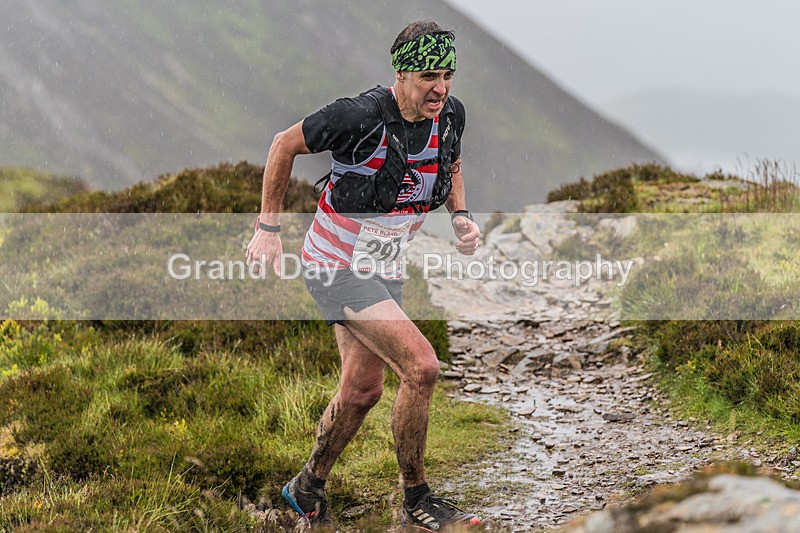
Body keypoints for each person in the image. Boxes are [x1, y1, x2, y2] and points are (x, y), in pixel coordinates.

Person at [246, 19, 482, 531]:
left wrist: (460, 215)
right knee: (421, 367)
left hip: (384, 267)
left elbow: (452, 160)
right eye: (427, 77)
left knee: (362, 390)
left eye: (447, 75)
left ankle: (304, 490)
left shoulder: (449, 114)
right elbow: (283, 144)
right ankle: (417, 497)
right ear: (401, 74)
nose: (440, 88)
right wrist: (268, 227)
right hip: (334, 267)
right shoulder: (357, 116)